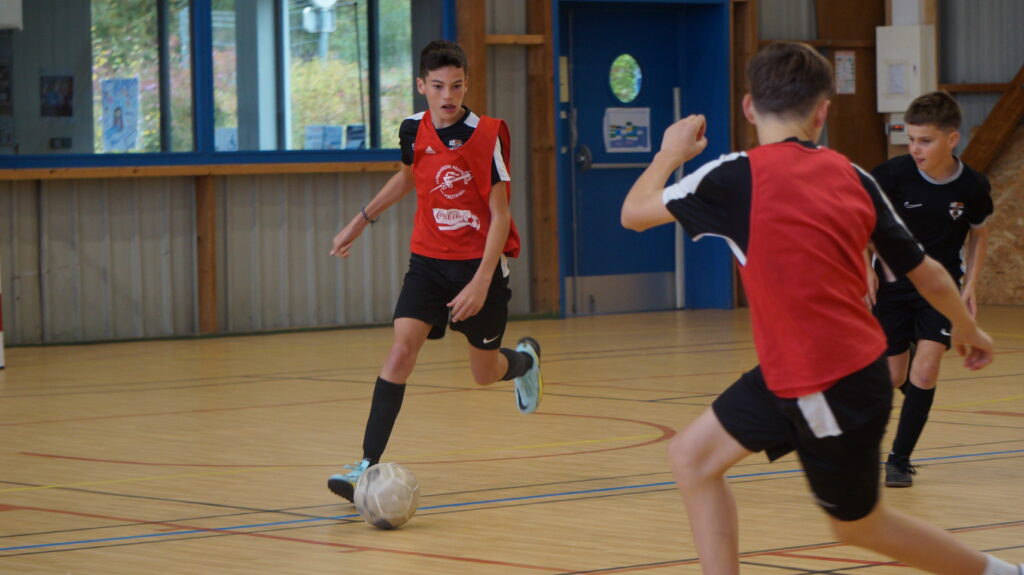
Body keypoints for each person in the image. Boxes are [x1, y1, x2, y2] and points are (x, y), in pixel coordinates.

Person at [620, 42, 1017, 575]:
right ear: (823, 112)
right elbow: (927, 271)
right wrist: (969, 329)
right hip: (796, 370)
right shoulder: (853, 175)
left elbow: (633, 213)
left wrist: (670, 153)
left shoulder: (731, 176)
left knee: (859, 526)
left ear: (748, 106)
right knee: (691, 458)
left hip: (825, 382)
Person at [326, 40, 542, 502]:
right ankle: (365, 465)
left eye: (457, 86)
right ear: (421, 85)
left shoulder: (488, 134)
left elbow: (500, 214)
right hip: (427, 262)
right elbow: (409, 175)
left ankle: (524, 362)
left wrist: (482, 281)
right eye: (439, 86)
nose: (449, 96)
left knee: (484, 373)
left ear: (466, 84)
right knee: (400, 352)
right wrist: (358, 222)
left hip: (478, 266)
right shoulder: (412, 129)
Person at [867, 91, 993, 488]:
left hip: (940, 288)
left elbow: (979, 234)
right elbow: (861, 222)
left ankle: (899, 461)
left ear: (952, 139)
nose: (915, 148)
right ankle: (915, 397)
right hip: (892, 285)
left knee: (926, 369)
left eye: (925, 140)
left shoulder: (972, 186)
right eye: (911, 139)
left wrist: (970, 285)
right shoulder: (891, 175)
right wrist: (865, 266)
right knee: (894, 375)